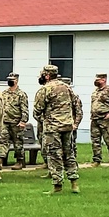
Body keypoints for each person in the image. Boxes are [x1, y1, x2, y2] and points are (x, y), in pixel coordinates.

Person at [33, 65, 80, 194]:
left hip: (52, 127)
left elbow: (37, 111)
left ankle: (57, 185)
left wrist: (44, 120)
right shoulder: (67, 87)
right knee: (69, 153)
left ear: (47, 76)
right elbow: (76, 104)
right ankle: (74, 183)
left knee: (54, 155)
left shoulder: (45, 89)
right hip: (67, 126)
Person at [89, 72, 109, 167]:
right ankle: (97, 160)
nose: (96, 81)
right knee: (95, 141)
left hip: (106, 120)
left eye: (98, 80)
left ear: (103, 80)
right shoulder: (95, 91)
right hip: (95, 119)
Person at [0, 72, 30, 170]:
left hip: (16, 122)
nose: (9, 81)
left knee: (18, 143)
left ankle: (20, 161)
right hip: (5, 121)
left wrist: (23, 121)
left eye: (11, 80)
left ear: (16, 81)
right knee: (2, 141)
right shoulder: (4, 93)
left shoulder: (21, 94)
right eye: (8, 80)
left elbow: (24, 109)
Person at [63, 77, 83, 167]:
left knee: (71, 146)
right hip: (61, 125)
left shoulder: (74, 97)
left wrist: (75, 124)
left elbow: (79, 113)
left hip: (71, 125)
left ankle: (73, 165)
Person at [32, 72, 47, 168]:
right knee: (42, 140)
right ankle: (47, 161)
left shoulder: (44, 91)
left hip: (48, 123)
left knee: (49, 143)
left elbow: (38, 109)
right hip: (42, 122)